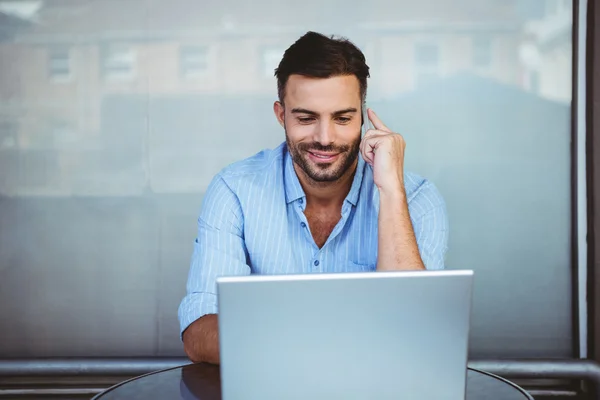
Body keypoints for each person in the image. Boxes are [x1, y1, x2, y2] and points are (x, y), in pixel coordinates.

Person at [178, 31, 448, 364]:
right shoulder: (234, 191)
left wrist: (390, 191)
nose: (324, 138)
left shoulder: (417, 199)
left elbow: (415, 330)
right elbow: (199, 333)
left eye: (343, 118)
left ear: (363, 116)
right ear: (281, 115)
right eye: (306, 118)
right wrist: (343, 338)